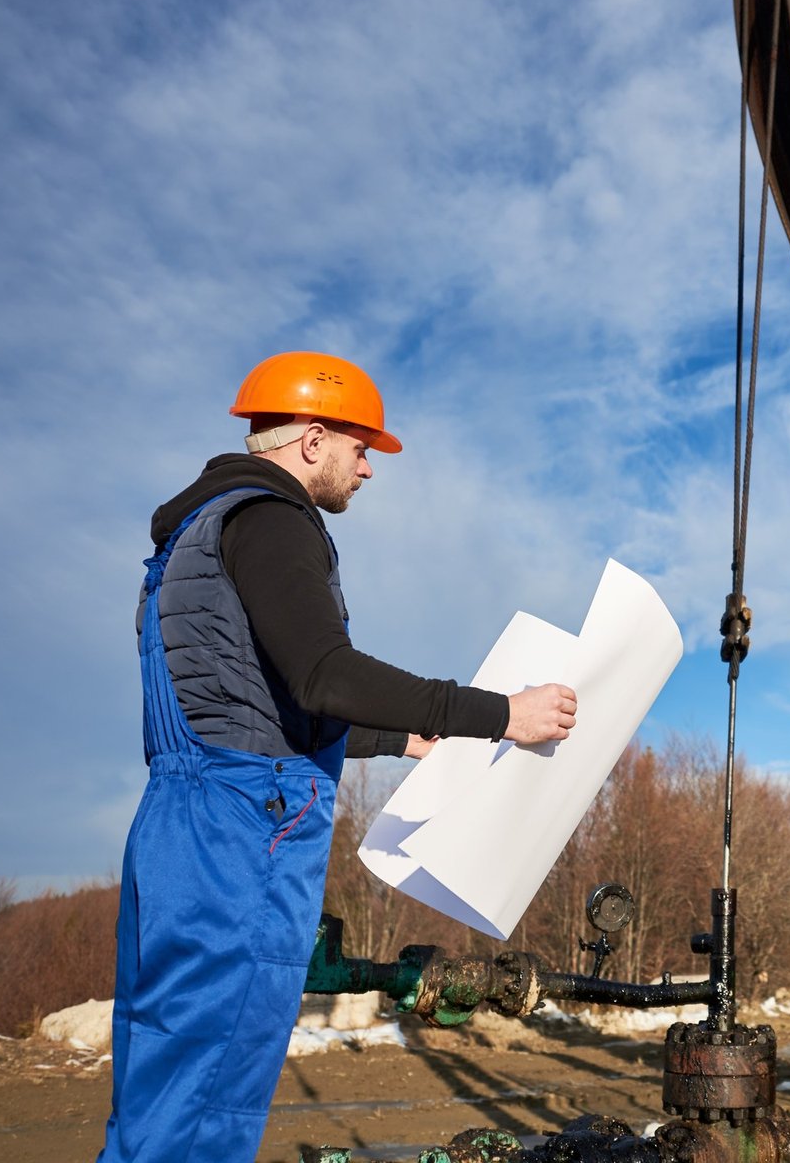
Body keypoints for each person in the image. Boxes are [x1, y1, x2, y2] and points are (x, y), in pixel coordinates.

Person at [98, 351, 577, 1163]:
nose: (368, 468)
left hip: (181, 828)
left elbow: (255, 704)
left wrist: (402, 738)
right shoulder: (274, 518)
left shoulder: (191, 537)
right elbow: (326, 675)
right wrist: (501, 715)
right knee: (206, 1105)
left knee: (161, 1093)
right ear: (312, 439)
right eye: (361, 447)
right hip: (243, 840)